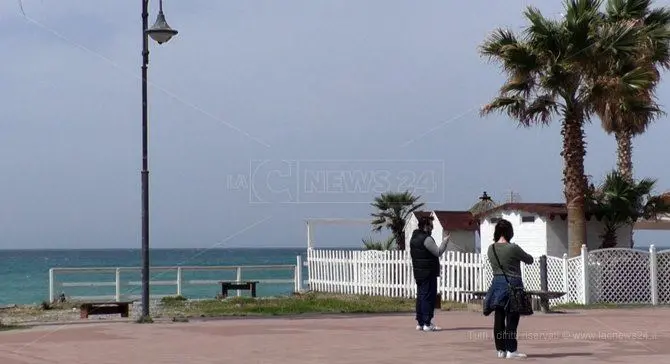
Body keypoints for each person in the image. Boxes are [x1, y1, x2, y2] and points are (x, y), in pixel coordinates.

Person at [483, 219, 534, 359]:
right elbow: (529, 260)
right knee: (512, 318)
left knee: (498, 318)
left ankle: (500, 350)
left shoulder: (491, 248)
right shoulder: (513, 248)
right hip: (513, 285)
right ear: (509, 232)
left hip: (496, 284)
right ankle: (511, 350)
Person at [409, 215, 450, 332]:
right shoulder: (426, 239)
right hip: (428, 272)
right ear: (426, 226)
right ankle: (427, 323)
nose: (432, 228)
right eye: (431, 225)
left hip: (418, 271)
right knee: (428, 297)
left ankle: (420, 322)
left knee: (421, 296)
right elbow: (437, 252)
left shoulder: (414, 237)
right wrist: (445, 242)